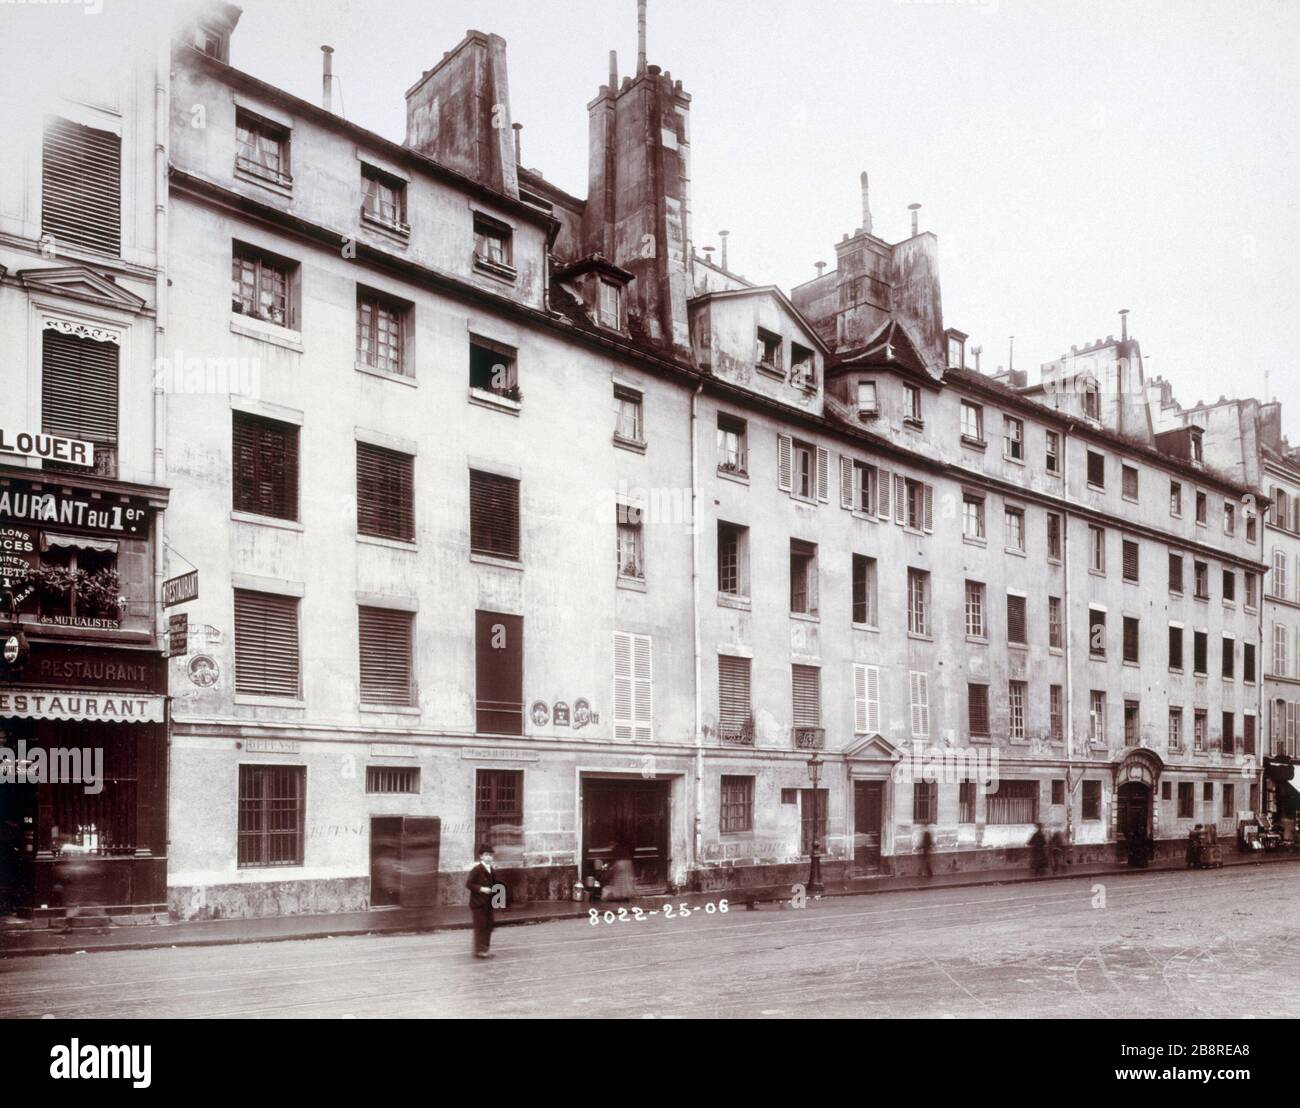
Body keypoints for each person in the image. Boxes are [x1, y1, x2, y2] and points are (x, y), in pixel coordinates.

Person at [465, 845, 497, 959]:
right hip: (478, 903)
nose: (489, 858)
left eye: (491, 855)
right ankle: (479, 950)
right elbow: (469, 884)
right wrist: (481, 889)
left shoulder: (491, 869)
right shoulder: (477, 869)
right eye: (486, 855)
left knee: (488, 926)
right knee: (480, 926)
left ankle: (485, 949)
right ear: (481, 857)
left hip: (488, 903)